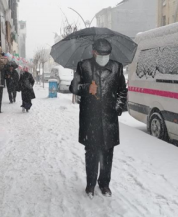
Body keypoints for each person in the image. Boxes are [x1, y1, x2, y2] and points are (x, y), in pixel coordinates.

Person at [69, 39, 128, 198]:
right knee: (92, 154)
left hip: (109, 120)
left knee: (107, 154)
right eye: (100, 54)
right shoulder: (84, 66)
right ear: (93, 52)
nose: (103, 57)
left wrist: (117, 108)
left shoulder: (117, 67)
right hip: (90, 119)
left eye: (106, 54)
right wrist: (87, 88)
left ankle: (104, 184)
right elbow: (73, 87)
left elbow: (123, 91)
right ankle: (90, 185)